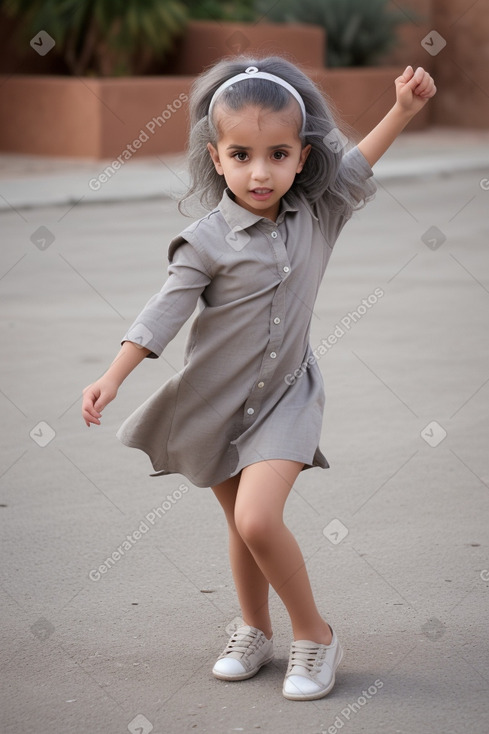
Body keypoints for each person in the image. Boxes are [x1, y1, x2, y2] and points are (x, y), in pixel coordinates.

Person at [82, 56, 436, 701]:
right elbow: (163, 311)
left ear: (302, 157)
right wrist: (112, 376)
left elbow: (357, 164)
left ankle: (316, 635)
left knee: (258, 521)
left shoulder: (319, 214)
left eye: (277, 155)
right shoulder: (206, 240)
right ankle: (253, 628)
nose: (260, 172)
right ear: (215, 158)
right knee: (240, 526)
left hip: (287, 397)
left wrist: (403, 111)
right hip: (215, 402)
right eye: (241, 155)